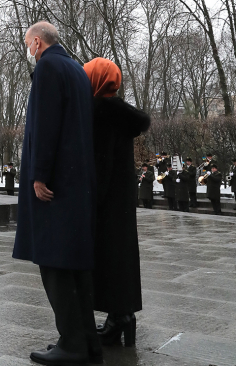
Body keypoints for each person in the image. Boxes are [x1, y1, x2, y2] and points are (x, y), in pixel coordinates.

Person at [12, 22, 102, 365]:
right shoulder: (77, 69)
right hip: (76, 182)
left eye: (28, 45)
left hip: (55, 185)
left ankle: (72, 342)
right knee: (75, 265)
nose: (29, 50)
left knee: (53, 263)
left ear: (37, 42)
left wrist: (39, 174)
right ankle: (87, 340)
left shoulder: (48, 67)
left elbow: (47, 125)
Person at [85, 58, 150, 349]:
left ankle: (119, 319)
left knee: (109, 257)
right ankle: (122, 316)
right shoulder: (121, 114)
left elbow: (102, 162)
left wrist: (91, 199)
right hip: (122, 197)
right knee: (122, 258)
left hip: (107, 199)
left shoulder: (101, 113)